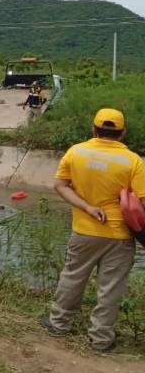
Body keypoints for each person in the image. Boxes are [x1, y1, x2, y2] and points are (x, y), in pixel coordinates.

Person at [42, 108, 145, 351]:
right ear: (122, 133)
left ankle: (58, 324)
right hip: (120, 236)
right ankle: (101, 339)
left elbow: (60, 185)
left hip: (84, 231)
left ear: (94, 130)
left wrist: (88, 207)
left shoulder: (76, 152)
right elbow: (142, 201)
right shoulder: (133, 161)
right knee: (110, 288)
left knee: (72, 277)